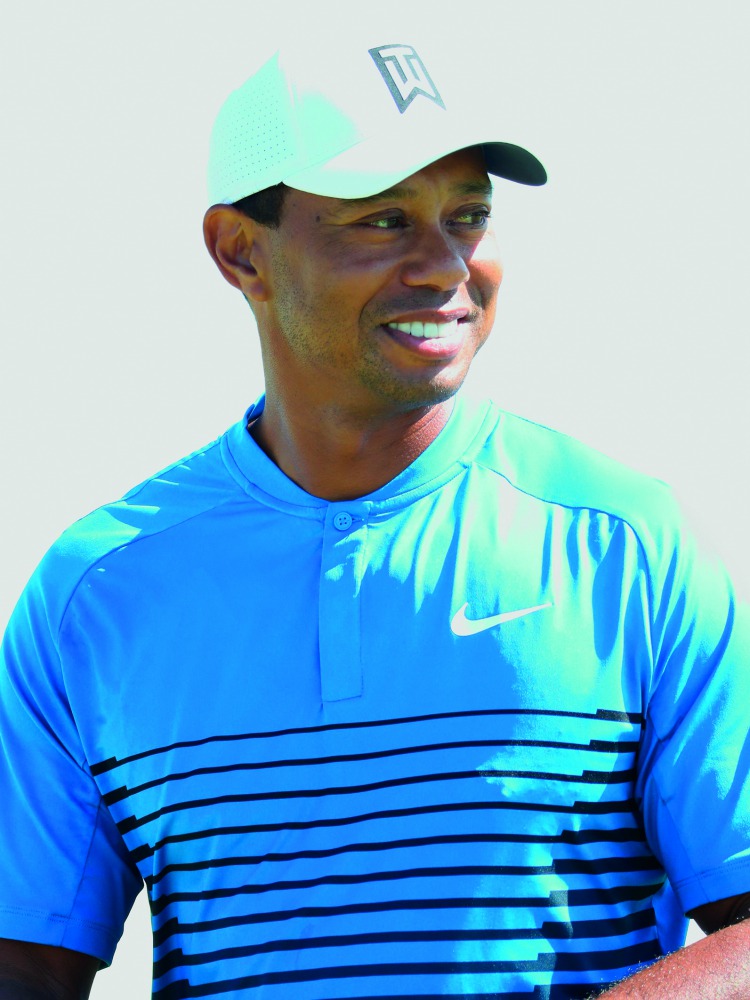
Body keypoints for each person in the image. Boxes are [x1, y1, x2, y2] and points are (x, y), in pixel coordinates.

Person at [1, 30, 749, 1000]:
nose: (444, 264)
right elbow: (24, 961)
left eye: (468, 215)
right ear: (240, 251)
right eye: (384, 219)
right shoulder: (98, 588)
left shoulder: (629, 545)